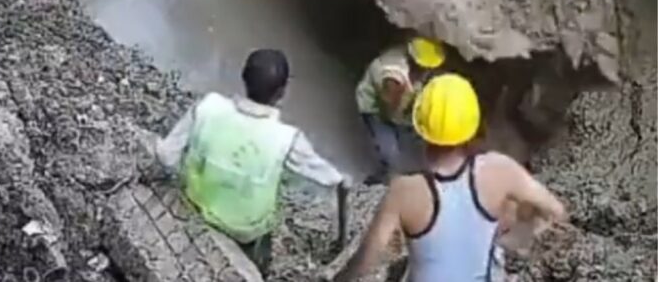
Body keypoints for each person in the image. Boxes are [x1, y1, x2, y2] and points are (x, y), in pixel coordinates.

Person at [334, 74, 567, 282]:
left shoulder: (404, 191)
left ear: (420, 128)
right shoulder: (500, 170)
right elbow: (556, 212)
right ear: (472, 127)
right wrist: (513, 240)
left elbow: (366, 261)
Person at [156, 49, 350, 276]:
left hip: (197, 202)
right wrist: (345, 183)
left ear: (243, 77)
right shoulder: (287, 139)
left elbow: (166, 156)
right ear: (282, 92)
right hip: (244, 228)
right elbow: (333, 179)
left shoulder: (208, 106)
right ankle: (258, 270)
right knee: (258, 255)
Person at [356, 37, 446, 181]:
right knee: (389, 148)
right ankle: (386, 175)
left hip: (401, 109)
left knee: (410, 140)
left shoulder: (419, 58)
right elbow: (389, 112)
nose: (428, 70)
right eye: (425, 68)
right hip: (377, 109)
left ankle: (406, 168)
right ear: (413, 60)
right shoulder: (392, 77)